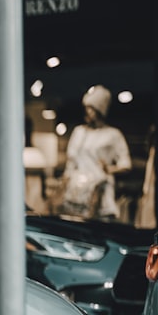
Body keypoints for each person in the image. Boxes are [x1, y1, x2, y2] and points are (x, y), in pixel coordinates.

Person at [59, 84, 132, 220]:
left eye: (92, 108)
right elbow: (71, 161)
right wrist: (65, 181)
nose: (88, 112)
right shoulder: (79, 132)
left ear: (100, 110)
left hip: (99, 191)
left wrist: (109, 169)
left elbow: (126, 164)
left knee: (96, 229)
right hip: (75, 192)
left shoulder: (112, 134)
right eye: (87, 108)